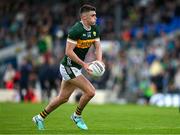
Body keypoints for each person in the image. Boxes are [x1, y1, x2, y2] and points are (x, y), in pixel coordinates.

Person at [32, 4, 104, 130]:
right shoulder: (76, 30)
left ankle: (39, 117)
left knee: (63, 98)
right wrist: (84, 64)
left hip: (76, 68)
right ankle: (77, 116)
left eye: (95, 15)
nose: (95, 18)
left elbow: (98, 46)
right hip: (68, 67)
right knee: (91, 91)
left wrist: (99, 61)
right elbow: (68, 52)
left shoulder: (94, 29)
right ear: (84, 17)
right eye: (93, 15)